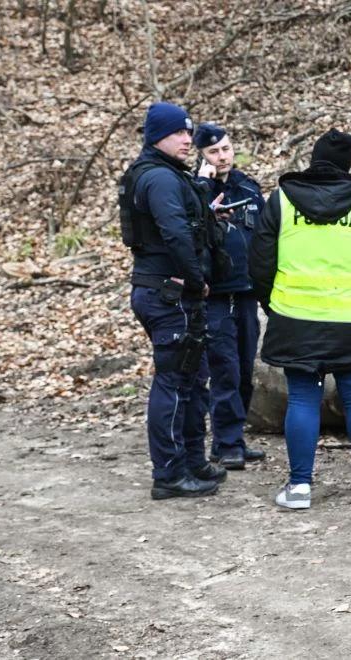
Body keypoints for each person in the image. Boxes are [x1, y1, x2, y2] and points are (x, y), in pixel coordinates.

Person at [248, 129, 351, 510]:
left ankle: (299, 488)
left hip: (296, 318)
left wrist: (274, 304)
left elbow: (260, 261)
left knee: (302, 397)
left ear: (313, 159)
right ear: (348, 164)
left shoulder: (281, 201)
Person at [120, 102, 228, 499]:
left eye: (189, 132)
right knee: (174, 381)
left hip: (171, 291)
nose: (188, 140)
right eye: (178, 133)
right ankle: (168, 473)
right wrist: (197, 280)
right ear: (156, 137)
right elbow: (176, 234)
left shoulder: (166, 175)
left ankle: (191, 461)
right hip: (169, 294)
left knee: (193, 378)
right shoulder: (160, 180)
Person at [192, 123, 266, 470]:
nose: (222, 157)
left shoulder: (248, 187)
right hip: (215, 295)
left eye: (225, 149)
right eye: (213, 152)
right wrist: (206, 188)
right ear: (201, 157)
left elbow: (265, 235)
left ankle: (235, 437)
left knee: (245, 368)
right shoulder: (194, 190)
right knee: (224, 369)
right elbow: (190, 231)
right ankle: (225, 442)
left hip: (247, 292)